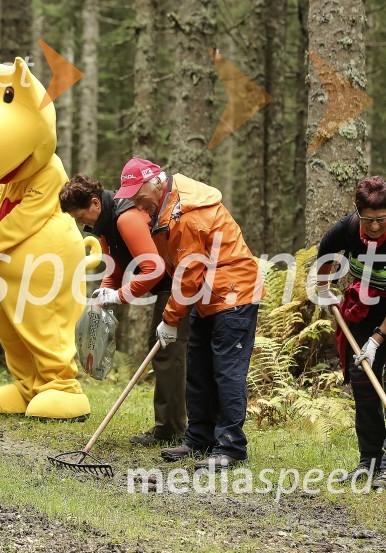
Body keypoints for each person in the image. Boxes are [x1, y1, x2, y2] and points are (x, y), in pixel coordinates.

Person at [113, 157, 261, 471]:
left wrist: (169, 319)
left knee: (226, 372)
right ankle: (199, 439)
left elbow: (189, 273)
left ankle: (230, 447)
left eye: (139, 196)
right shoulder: (163, 212)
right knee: (198, 369)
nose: (138, 204)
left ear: (155, 184)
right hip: (207, 296)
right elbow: (174, 269)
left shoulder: (188, 215)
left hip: (234, 294)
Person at [59, 173, 189, 446]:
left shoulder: (125, 217)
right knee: (165, 353)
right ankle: (172, 427)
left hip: (180, 282)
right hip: (167, 285)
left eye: (80, 216)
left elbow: (155, 268)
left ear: (95, 204)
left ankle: (171, 430)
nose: (80, 223)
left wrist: (120, 296)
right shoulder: (106, 225)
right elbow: (115, 269)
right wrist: (103, 295)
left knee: (167, 354)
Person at [315, 176, 386, 490]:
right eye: (368, 220)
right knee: (362, 383)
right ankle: (370, 463)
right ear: (357, 212)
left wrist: (376, 341)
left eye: (381, 219)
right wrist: (323, 288)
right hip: (363, 308)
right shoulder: (346, 229)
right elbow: (325, 255)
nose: (374, 226)